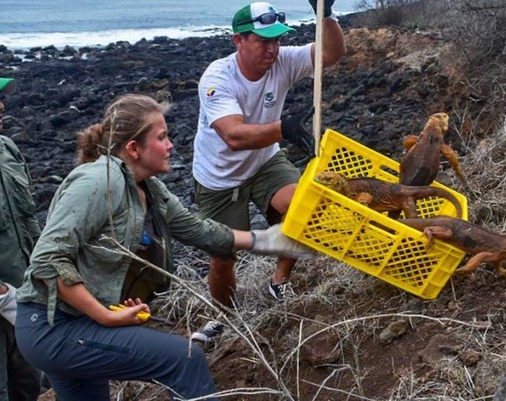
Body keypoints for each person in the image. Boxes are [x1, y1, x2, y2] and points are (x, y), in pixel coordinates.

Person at [13, 94, 312, 401]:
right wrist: (104, 315)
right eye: (162, 137)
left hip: (73, 323)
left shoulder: (149, 188)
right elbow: (47, 260)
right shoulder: (98, 182)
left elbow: (196, 229)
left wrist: (268, 240)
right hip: (52, 328)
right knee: (184, 360)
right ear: (133, 149)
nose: (171, 145)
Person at [192, 0, 346, 310]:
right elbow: (233, 136)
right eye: (263, 41)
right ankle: (227, 315)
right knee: (223, 257)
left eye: (276, 40)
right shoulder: (218, 78)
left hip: (264, 162)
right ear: (239, 40)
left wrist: (327, 15)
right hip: (219, 178)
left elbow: (332, 53)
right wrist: (285, 128)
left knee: (303, 209)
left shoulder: (283, 61)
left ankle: (279, 282)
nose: (272, 48)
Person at [0, 77, 41, 401]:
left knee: (29, 380)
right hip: (3, 295)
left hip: (22, 293)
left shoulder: (7, 149)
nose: (2, 106)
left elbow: (27, 219)